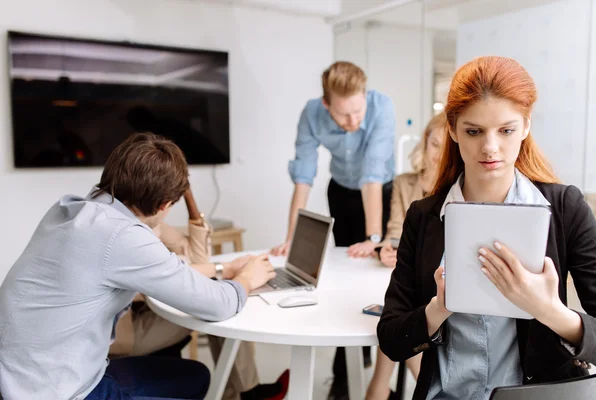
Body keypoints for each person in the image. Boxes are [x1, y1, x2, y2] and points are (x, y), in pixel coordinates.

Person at [377, 56, 596, 400]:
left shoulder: (565, 208)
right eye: (473, 131)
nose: (490, 147)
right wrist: (440, 308)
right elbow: (391, 338)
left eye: (506, 130)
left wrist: (549, 311)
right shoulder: (423, 217)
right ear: (452, 130)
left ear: (526, 126)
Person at [0, 133, 276, 400]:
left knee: (196, 377)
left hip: (21, 377)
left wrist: (224, 270)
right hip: (59, 391)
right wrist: (247, 279)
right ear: (164, 204)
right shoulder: (123, 236)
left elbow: (172, 271)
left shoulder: (75, 209)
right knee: (195, 378)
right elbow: (217, 304)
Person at [270, 61, 396, 399]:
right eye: (343, 116)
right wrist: (292, 237)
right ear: (326, 105)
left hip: (381, 192)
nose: (353, 122)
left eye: (358, 111)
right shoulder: (311, 114)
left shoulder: (382, 109)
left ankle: (378, 354)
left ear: (365, 96)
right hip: (341, 191)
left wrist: (373, 239)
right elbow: (303, 177)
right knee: (347, 269)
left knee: (377, 271)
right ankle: (344, 376)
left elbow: (372, 176)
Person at [109, 187, 290, 400]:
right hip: (123, 336)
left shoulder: (142, 217)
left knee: (216, 294)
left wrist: (189, 199)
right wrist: (228, 270)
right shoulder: (126, 231)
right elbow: (170, 274)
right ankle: (247, 393)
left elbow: (196, 257)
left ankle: (240, 393)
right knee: (217, 306)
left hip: (136, 314)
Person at [366, 112, 446, 400]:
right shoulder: (404, 183)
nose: (437, 154)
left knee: (396, 322)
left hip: (435, 283)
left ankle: (379, 390)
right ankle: (386, 388)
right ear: (425, 143)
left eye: (445, 146)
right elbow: (395, 231)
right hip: (405, 276)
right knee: (395, 317)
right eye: (433, 144)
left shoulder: (455, 190)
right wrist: (386, 248)